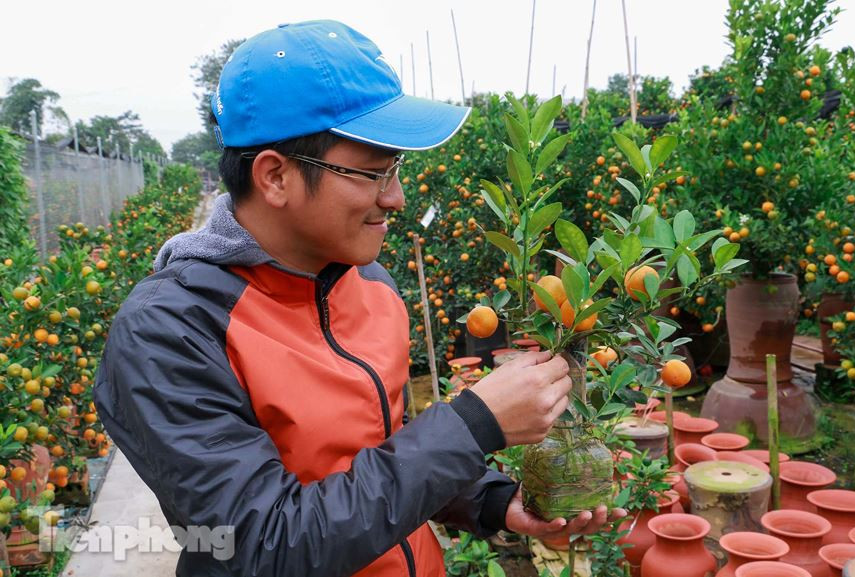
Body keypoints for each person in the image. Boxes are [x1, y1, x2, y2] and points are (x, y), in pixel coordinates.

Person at [94, 20, 624, 577]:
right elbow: (260, 543)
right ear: (275, 176)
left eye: (396, 170)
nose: (394, 198)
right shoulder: (170, 331)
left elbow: (378, 453)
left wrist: (489, 500)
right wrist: (472, 426)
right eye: (373, 173)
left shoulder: (370, 284)